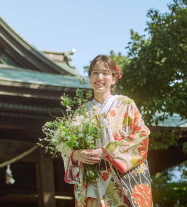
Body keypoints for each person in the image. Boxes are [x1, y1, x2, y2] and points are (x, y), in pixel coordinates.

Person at [62, 55, 153, 207]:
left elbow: (141, 137)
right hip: (91, 183)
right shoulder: (80, 113)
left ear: (114, 78)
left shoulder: (126, 105)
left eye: (105, 73)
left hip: (120, 182)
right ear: (90, 77)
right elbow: (68, 149)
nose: (100, 77)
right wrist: (77, 155)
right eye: (95, 73)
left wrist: (106, 152)